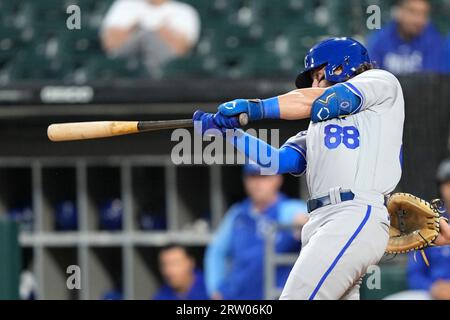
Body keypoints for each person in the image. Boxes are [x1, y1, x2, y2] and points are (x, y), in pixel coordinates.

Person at [204, 164, 308, 300]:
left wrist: (305, 224)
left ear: (277, 179)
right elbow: (216, 252)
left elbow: (307, 220)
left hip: (275, 294)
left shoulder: (290, 209)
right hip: (238, 296)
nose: (258, 183)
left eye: (264, 176)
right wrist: (215, 289)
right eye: (253, 177)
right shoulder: (237, 214)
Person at [101, 0, 201, 76]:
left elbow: (181, 49)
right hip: (127, 54)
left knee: (149, 39)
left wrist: (141, 29)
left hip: (163, 61)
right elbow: (110, 43)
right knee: (144, 36)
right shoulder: (125, 4)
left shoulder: (183, 11)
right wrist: (158, 31)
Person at [366, 0, 447, 75]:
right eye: (412, 12)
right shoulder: (380, 40)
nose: (419, 20)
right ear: (398, 12)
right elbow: (372, 77)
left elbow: (434, 81)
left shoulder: (433, 41)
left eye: (424, 14)